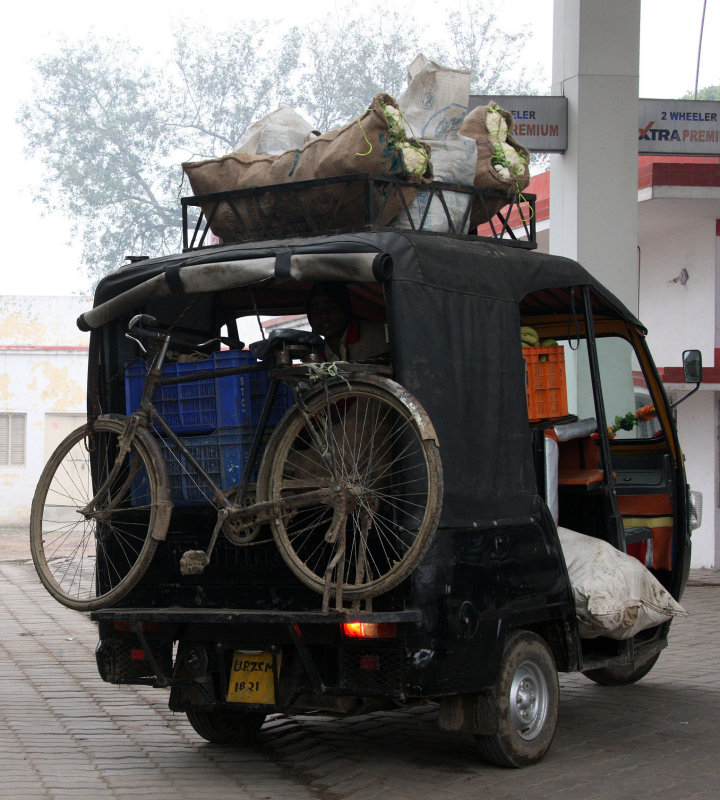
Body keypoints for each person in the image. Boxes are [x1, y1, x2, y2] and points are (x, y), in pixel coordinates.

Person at [306, 282, 389, 362]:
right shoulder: (317, 354)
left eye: (330, 307)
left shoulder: (376, 336)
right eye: (315, 310)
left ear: (345, 308)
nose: (323, 315)